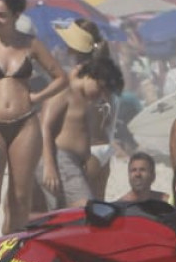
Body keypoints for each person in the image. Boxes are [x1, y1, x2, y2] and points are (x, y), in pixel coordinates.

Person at [0, 0, 70, 238]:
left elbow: (60, 77)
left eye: (1, 15)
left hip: (24, 123)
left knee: (20, 197)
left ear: (15, 16)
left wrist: (36, 97)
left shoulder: (30, 45)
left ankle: (12, 252)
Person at [44, 54, 122, 207]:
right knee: (91, 204)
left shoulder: (82, 90)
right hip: (97, 149)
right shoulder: (95, 90)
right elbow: (45, 127)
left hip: (91, 152)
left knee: (88, 205)